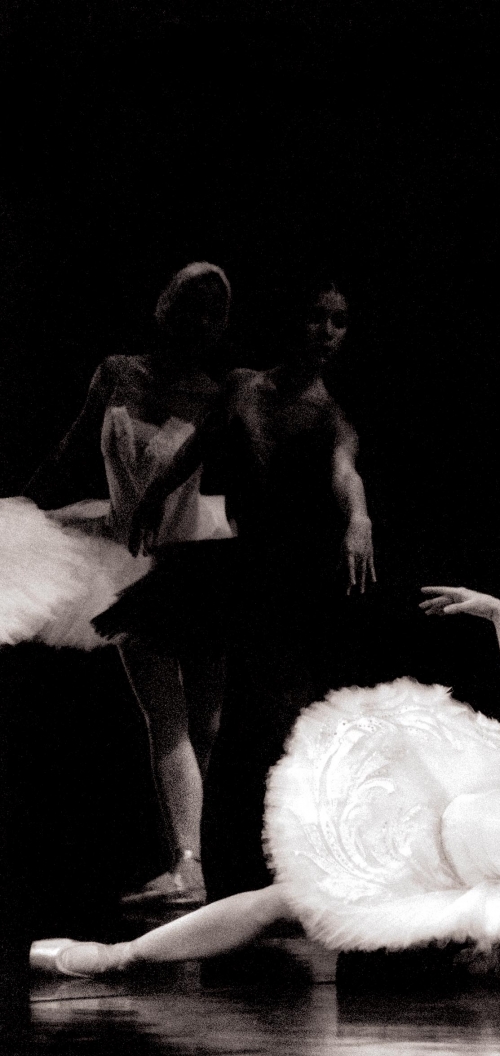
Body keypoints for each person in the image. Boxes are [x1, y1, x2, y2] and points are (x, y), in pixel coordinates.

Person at [30, 586, 500, 984]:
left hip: (452, 890)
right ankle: (113, 958)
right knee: (290, 902)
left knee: (307, 919)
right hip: (429, 836)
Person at [95, 274, 376, 898]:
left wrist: (359, 517)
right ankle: (191, 864)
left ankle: (300, 861)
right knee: (194, 717)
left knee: (274, 718)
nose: (325, 334)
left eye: (339, 322)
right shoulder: (243, 387)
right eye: (315, 318)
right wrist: (151, 499)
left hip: (280, 579)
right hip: (225, 564)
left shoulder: (330, 414)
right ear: (292, 322)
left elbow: (344, 470)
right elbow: (196, 446)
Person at [7, 262, 235, 913]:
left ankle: (189, 857)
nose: (199, 320)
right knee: (167, 716)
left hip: (202, 552)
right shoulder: (116, 373)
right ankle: (189, 866)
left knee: (205, 721)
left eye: (212, 311)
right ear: (166, 306)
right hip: (131, 557)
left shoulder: (218, 395)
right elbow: (72, 449)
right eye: (190, 305)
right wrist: (26, 510)